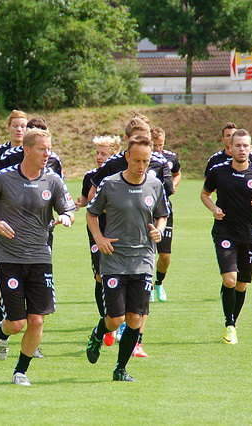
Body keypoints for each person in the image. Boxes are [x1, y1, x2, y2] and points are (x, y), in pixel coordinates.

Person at [0, 128, 76, 386]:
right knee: (17, 323)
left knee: (37, 319)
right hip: (9, 257)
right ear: (27, 150)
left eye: (49, 149)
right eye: (42, 149)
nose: (47, 154)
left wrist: (66, 216)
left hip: (41, 256)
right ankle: (1, 331)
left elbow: (69, 210)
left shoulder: (53, 180)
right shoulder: (3, 178)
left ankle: (20, 371)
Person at [85, 135, 169, 382]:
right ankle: (98, 333)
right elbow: (91, 214)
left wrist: (159, 229)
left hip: (143, 258)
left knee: (134, 318)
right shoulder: (110, 184)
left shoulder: (155, 185)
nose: (141, 166)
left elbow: (162, 214)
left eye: (146, 161)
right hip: (114, 259)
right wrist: (99, 238)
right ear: (127, 158)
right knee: (116, 318)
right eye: (137, 161)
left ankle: (120, 369)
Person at [201, 129, 252, 344]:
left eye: (245, 146)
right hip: (224, 232)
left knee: (241, 284)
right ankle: (229, 324)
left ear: (250, 149)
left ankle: (233, 321)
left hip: (249, 235)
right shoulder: (218, 171)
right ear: (231, 148)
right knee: (230, 278)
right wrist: (214, 209)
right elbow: (205, 194)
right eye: (238, 145)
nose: (242, 149)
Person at [75, 135, 121, 346]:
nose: (99, 157)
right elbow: (87, 198)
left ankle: (118, 321)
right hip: (97, 229)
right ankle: (107, 320)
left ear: (115, 153)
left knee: (121, 273)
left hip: (119, 229)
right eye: (97, 153)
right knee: (100, 275)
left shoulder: (122, 175)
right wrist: (79, 203)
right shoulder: (90, 176)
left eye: (104, 153)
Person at [151, 126, 182, 302]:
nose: (157, 149)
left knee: (165, 254)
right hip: (144, 209)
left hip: (163, 209)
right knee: (147, 251)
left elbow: (177, 173)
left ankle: (159, 282)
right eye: (154, 145)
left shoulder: (171, 157)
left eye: (160, 145)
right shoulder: (144, 157)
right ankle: (147, 286)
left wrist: (174, 183)